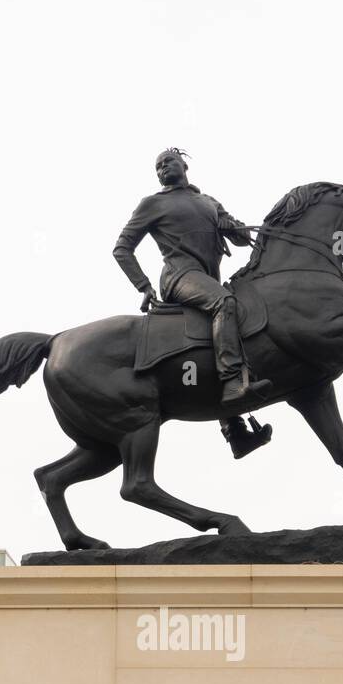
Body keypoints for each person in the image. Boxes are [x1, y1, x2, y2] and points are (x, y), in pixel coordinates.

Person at [113, 148, 274, 456]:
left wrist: (236, 228)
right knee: (224, 304)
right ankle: (231, 383)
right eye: (157, 166)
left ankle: (236, 431)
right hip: (179, 276)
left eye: (167, 162)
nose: (162, 169)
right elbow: (122, 247)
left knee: (227, 322)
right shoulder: (152, 204)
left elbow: (240, 237)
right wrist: (143, 286)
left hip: (207, 278)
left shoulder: (208, 202)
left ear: (184, 165)